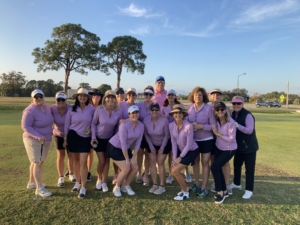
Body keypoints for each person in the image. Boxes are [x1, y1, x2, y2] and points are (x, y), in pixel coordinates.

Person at [64, 88, 95, 198]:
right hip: (73, 137)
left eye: (85, 96)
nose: (82, 97)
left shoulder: (91, 109)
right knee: (76, 161)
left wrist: (91, 132)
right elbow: (67, 125)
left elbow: (94, 123)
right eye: (80, 95)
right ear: (77, 97)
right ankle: (77, 182)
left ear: (87, 98)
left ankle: (83, 187)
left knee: (83, 162)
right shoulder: (72, 109)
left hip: (85, 138)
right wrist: (65, 139)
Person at [22, 89, 53, 197]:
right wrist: (38, 136)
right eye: (36, 97)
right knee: (37, 162)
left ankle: (32, 183)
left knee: (39, 161)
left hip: (46, 139)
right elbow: (25, 126)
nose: (39, 99)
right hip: (33, 139)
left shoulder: (48, 107)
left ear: (44, 97)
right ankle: (39, 188)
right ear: (33, 99)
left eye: (41, 96)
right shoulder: (29, 111)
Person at [107, 105, 144, 197]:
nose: (135, 115)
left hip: (125, 149)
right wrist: (128, 159)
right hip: (114, 147)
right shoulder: (124, 125)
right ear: (129, 115)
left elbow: (138, 142)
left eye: (137, 112)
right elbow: (123, 143)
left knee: (135, 167)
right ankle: (117, 187)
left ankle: (126, 185)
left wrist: (133, 157)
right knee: (126, 168)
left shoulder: (141, 125)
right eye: (133, 113)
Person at [187, 87, 216, 198]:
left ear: (203, 96)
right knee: (195, 162)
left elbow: (213, 126)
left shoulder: (209, 108)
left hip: (206, 140)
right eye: (195, 95)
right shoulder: (190, 108)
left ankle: (204, 188)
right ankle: (197, 184)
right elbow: (187, 122)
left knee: (205, 163)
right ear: (192, 97)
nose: (197, 97)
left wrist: (201, 126)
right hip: (193, 139)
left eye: (199, 95)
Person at [91, 90, 121, 192]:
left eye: (113, 98)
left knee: (107, 160)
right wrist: (93, 137)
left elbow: (118, 126)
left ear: (115, 100)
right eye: (108, 97)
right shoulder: (99, 109)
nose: (110, 100)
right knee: (102, 160)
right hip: (99, 139)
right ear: (105, 99)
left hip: (110, 140)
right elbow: (93, 123)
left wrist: (116, 138)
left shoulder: (118, 112)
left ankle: (104, 181)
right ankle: (99, 178)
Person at [229, 96, 259, 199]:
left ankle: (249, 190)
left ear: (242, 104)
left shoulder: (248, 115)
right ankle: (237, 183)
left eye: (238, 103)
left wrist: (237, 125)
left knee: (249, 169)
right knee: (237, 166)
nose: (236, 105)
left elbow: (249, 130)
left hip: (249, 147)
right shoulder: (233, 114)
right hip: (238, 146)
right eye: (234, 103)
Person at [169, 104, 199, 200]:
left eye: (179, 113)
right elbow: (173, 142)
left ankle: (185, 192)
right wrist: (174, 158)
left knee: (175, 171)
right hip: (182, 151)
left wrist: (180, 157)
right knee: (173, 170)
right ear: (173, 115)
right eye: (175, 113)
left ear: (183, 115)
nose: (178, 115)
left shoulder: (188, 126)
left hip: (192, 150)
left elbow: (189, 144)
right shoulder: (171, 126)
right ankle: (184, 189)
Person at [161, 89, 192, 184]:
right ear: (166, 96)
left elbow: (185, 118)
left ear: (175, 96)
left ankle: (187, 172)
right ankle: (171, 173)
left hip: (181, 131)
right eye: (169, 95)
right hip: (170, 132)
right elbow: (162, 119)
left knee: (183, 152)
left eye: (172, 95)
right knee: (171, 154)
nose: (170, 96)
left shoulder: (180, 105)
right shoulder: (164, 107)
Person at [211, 102, 237, 204]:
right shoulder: (217, 120)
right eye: (217, 110)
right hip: (218, 147)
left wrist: (218, 134)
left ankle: (220, 192)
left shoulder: (231, 122)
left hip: (229, 149)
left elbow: (231, 139)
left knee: (214, 167)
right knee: (218, 168)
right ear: (215, 111)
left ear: (225, 110)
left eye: (222, 109)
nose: (220, 111)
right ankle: (224, 190)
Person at [144, 102, 170, 194]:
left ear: (159, 111)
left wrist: (162, 148)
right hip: (152, 143)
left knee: (160, 162)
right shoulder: (145, 120)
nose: (154, 111)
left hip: (164, 143)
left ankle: (162, 185)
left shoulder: (164, 120)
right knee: (152, 162)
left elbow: (167, 135)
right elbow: (146, 134)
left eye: (156, 110)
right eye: (152, 110)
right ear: (149, 111)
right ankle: (155, 184)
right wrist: (151, 147)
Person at [209, 88, 232, 193]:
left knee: (225, 162)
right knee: (213, 161)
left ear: (221, 97)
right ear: (210, 96)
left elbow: (229, 124)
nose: (216, 97)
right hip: (212, 139)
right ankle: (217, 182)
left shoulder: (226, 108)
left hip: (224, 139)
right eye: (214, 95)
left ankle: (226, 185)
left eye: (218, 95)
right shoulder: (209, 108)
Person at [51, 92, 74, 187]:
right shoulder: (52, 108)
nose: (60, 102)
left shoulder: (71, 108)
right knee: (60, 155)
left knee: (71, 155)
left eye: (62, 100)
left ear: (66, 100)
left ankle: (71, 173)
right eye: (58, 100)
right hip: (58, 134)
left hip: (70, 135)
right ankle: (61, 177)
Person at [136, 86, 154, 186]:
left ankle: (145, 174)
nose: (148, 96)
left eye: (150, 94)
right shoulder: (138, 105)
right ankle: (139, 174)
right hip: (139, 133)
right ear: (143, 95)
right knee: (139, 153)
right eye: (146, 94)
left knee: (147, 154)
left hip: (150, 134)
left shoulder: (154, 105)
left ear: (152, 96)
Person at [86, 89, 103, 182]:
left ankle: (88, 171)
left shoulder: (102, 107)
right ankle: (84, 171)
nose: (96, 97)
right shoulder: (87, 106)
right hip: (87, 132)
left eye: (98, 96)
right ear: (91, 97)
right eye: (95, 95)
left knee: (91, 153)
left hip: (97, 133)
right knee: (86, 153)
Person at [112, 87, 125, 184]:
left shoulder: (126, 104)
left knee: (123, 154)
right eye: (118, 93)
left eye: (121, 93)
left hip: (125, 133)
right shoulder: (112, 105)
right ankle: (115, 174)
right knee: (115, 156)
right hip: (114, 133)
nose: (120, 95)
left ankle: (122, 174)